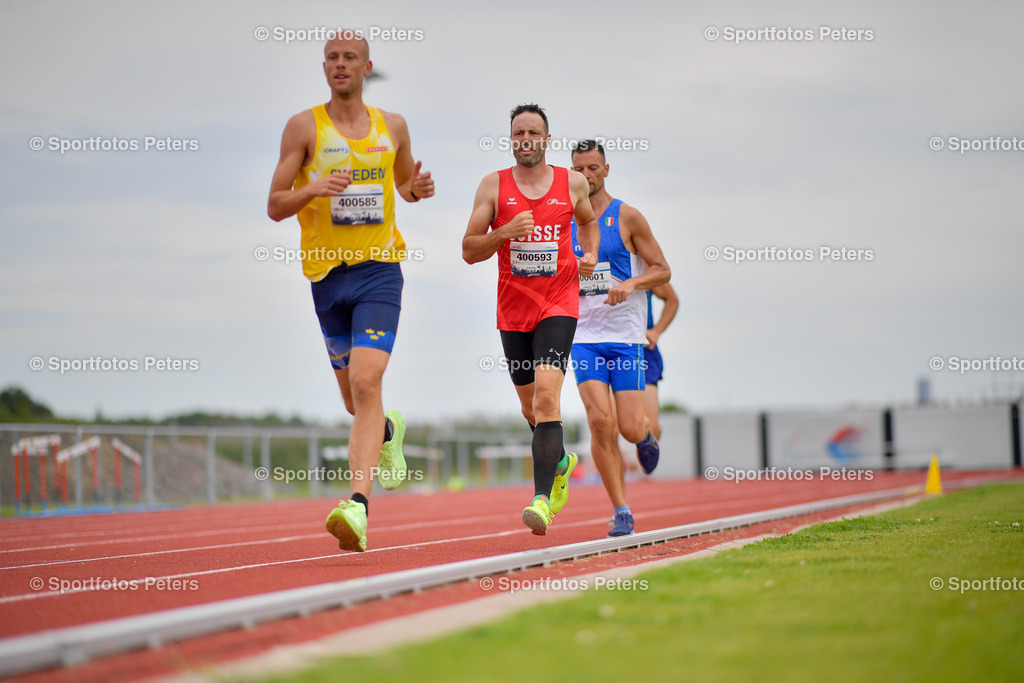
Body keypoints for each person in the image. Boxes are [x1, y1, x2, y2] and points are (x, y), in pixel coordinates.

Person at [267, 33, 434, 552]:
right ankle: (387, 432)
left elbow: (405, 183)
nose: (341, 65)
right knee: (353, 399)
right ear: (324, 68)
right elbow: (275, 204)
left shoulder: (393, 127)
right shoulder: (303, 127)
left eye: (350, 58)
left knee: (366, 382)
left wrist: (418, 190)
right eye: (333, 59)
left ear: (366, 67)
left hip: (380, 270)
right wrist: (312, 189)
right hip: (325, 277)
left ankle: (357, 506)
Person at [462, 104, 599, 535]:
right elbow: (468, 249)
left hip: (559, 303)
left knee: (545, 399)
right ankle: (560, 461)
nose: (526, 139)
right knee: (530, 408)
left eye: (533, 133)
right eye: (518, 132)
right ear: (511, 139)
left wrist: (589, 253)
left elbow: (588, 223)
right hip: (513, 310)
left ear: (546, 139)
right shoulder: (493, 186)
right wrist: (503, 233)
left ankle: (541, 500)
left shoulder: (572, 182)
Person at [569, 139, 670, 536]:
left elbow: (663, 270)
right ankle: (621, 509)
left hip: (626, 337)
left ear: (606, 170)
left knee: (628, 427)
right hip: (583, 336)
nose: (586, 175)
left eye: (593, 168)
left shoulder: (627, 217)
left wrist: (632, 283)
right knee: (598, 422)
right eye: (579, 169)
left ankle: (644, 437)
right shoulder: (564, 221)